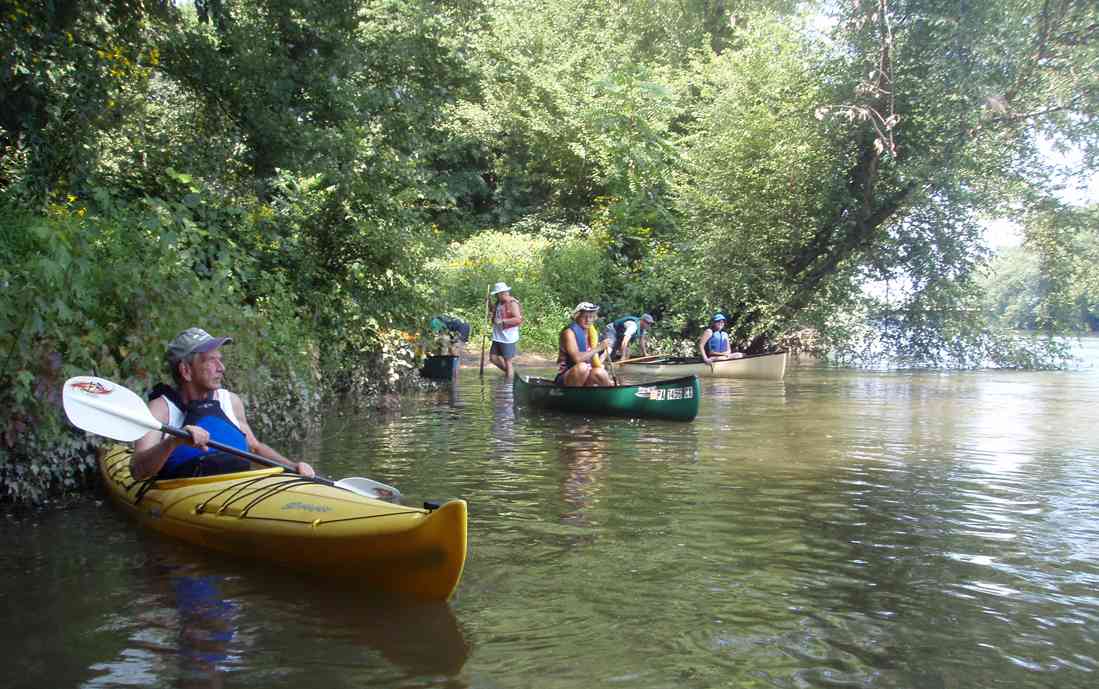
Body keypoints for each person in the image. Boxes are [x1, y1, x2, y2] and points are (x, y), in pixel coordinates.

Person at [131, 327, 316, 481]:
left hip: (235, 488)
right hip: (182, 494)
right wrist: (173, 441)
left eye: (220, 360)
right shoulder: (160, 410)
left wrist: (292, 466)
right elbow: (138, 471)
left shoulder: (230, 402)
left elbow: (254, 448)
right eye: (212, 360)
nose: (222, 368)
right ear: (186, 370)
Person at [556, 302, 614, 387]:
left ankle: (610, 392)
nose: (588, 320)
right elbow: (577, 358)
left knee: (600, 372)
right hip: (566, 377)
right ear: (577, 317)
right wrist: (599, 348)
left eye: (591, 317)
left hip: (585, 374)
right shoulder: (569, 332)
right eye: (584, 317)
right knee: (582, 367)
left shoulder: (591, 333)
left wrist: (608, 380)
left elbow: (594, 362)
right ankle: (573, 398)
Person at [488, 282, 523, 378]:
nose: (496, 296)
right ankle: (512, 375)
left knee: (508, 361)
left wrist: (503, 321)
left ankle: (508, 386)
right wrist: (489, 303)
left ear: (502, 293)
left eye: (496, 294)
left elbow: (518, 319)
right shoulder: (499, 302)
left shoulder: (512, 303)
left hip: (508, 337)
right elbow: (495, 311)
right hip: (498, 336)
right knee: (493, 358)